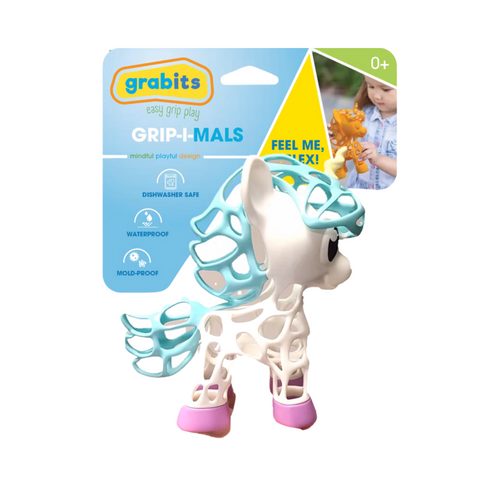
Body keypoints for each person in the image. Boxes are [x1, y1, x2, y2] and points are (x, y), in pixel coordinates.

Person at [329, 76, 397, 189]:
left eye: (386, 89)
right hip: (358, 187)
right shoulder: (364, 113)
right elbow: (345, 138)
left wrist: (378, 159)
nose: (377, 96)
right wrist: (334, 134)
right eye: (371, 86)